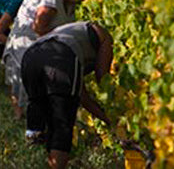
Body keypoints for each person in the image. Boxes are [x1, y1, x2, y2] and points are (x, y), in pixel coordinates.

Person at [19, 21, 126, 168]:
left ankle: (34, 161)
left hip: (30, 57)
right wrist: (118, 114)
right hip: (60, 55)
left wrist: (108, 120)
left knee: (41, 117)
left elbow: (83, 98)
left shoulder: (73, 33)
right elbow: (103, 79)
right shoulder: (106, 39)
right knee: (62, 124)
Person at [0, 0, 91, 118]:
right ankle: (22, 123)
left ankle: (35, 124)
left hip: (44, 47)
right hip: (25, 45)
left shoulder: (70, 6)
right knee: (25, 91)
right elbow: (39, 27)